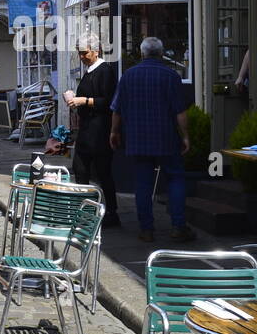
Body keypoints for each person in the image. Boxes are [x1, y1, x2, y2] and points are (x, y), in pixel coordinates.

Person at [110, 37, 194, 244]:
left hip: (138, 138)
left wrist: (114, 132)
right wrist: (185, 136)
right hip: (165, 137)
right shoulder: (171, 75)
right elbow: (180, 112)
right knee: (175, 178)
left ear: (142, 53)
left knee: (142, 184)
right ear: (161, 53)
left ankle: (146, 230)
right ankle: (178, 227)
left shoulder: (128, 76)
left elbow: (116, 109)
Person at [66, 34, 120, 227]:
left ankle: (112, 213)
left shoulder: (105, 71)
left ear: (96, 51)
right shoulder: (90, 71)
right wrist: (73, 98)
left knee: (103, 173)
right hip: (86, 130)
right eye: (79, 53)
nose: (81, 56)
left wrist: (83, 101)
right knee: (80, 169)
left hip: (100, 130)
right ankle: (85, 211)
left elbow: (108, 101)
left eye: (84, 53)